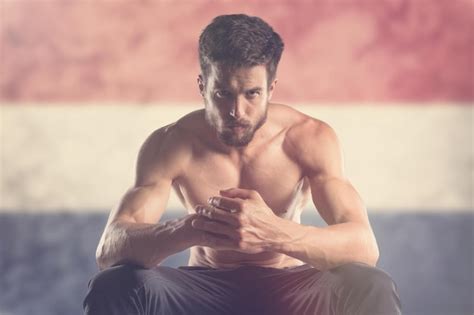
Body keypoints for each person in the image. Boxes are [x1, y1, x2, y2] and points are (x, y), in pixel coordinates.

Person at [83, 14, 401, 315]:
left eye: (252, 94)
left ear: (270, 89)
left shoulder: (309, 138)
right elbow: (109, 250)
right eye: (222, 93)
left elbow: (364, 247)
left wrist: (274, 233)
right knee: (115, 284)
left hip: (291, 288)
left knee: (370, 284)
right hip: (202, 286)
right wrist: (189, 229)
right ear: (202, 87)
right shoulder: (171, 143)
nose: (237, 110)